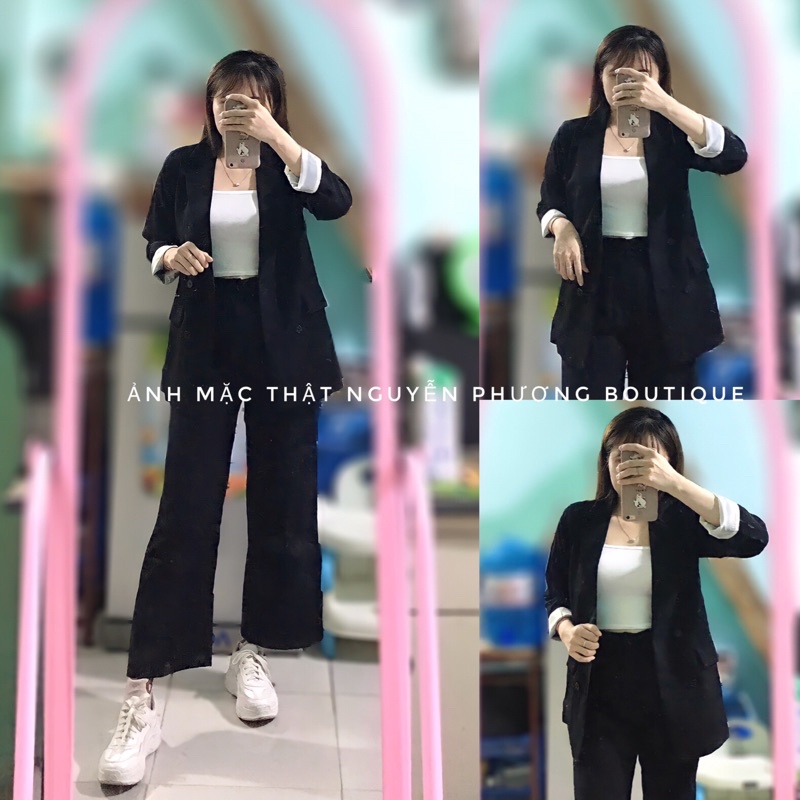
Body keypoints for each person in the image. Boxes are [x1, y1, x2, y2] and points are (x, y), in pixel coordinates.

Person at [98, 50, 352, 786]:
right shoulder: (182, 166)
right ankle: (144, 688)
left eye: (251, 97)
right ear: (207, 102)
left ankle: (253, 652)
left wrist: (276, 138)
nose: (235, 107)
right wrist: (168, 256)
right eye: (225, 96)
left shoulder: (288, 164)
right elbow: (154, 236)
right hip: (206, 345)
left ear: (272, 103)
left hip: (285, 350)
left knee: (282, 505)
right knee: (185, 509)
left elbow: (336, 201)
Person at [543, 406, 768, 800]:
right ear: (607, 461)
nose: (633, 468)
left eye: (649, 458)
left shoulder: (683, 519)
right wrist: (566, 630)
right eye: (623, 456)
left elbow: (753, 537)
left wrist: (678, 485)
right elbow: (554, 590)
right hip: (599, 682)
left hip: (673, 681)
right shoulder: (579, 520)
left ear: (669, 462)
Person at [537, 26, 747, 398]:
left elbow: (732, 155)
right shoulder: (574, 135)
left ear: (660, 78)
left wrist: (666, 104)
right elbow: (550, 199)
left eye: (642, 74)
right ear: (600, 77)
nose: (628, 83)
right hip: (593, 282)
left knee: (670, 400)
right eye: (617, 74)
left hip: (665, 283)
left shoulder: (673, 132)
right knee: (589, 398)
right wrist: (561, 227)